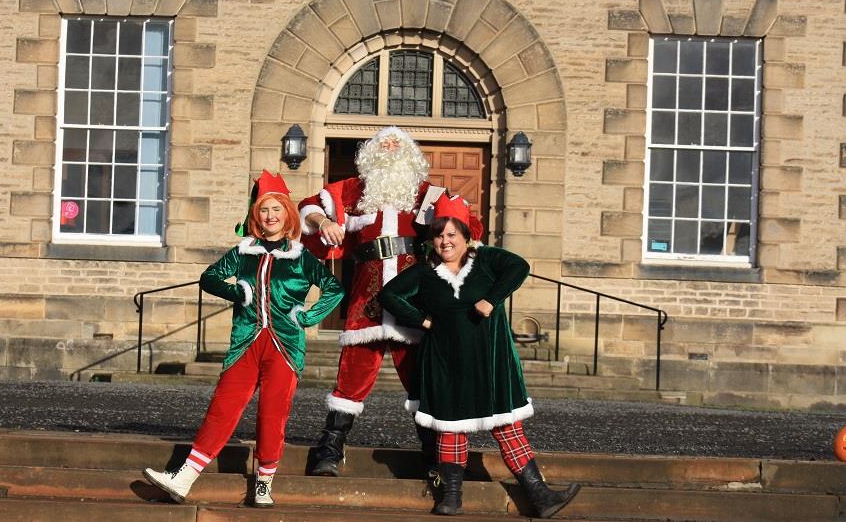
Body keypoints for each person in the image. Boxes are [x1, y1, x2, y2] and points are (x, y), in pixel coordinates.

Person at [143, 170, 343, 507]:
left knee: (272, 415)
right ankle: (185, 478)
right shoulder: (243, 252)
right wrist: (239, 291)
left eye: (277, 209)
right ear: (256, 216)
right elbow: (209, 277)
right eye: (264, 210)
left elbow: (334, 288)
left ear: (288, 214)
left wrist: (307, 317)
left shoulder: (302, 257)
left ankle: (264, 482)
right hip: (246, 342)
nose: (271, 216)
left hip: (285, 346)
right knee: (222, 409)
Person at [378, 193, 581, 518]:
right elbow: (389, 295)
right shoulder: (425, 272)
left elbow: (520, 267)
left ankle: (541, 496)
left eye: (451, 234)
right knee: (449, 428)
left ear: (466, 236)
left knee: (507, 428)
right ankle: (450, 499)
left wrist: (492, 298)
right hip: (445, 363)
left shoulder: (486, 260)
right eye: (439, 234)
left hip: (488, 362)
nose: (445, 241)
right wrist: (423, 320)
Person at [297, 126, 438, 476]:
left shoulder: (427, 194)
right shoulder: (353, 190)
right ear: (370, 155)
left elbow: (467, 228)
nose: (389, 150)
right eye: (383, 146)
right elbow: (308, 207)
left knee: (422, 377)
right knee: (352, 374)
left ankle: (436, 453)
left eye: (397, 146)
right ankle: (329, 448)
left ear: (409, 155)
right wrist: (325, 220)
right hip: (367, 295)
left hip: (413, 298)